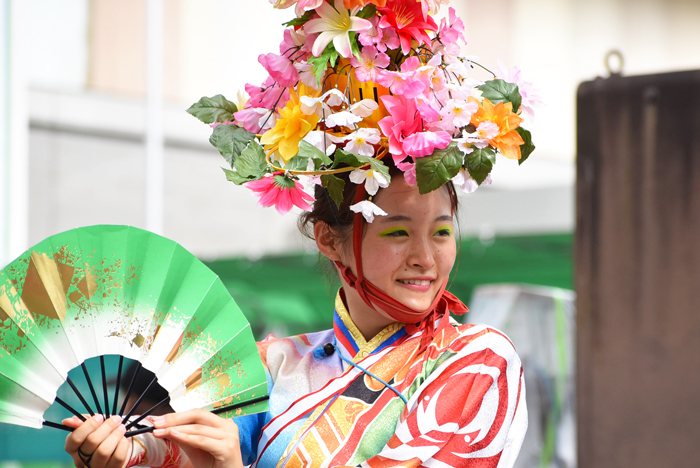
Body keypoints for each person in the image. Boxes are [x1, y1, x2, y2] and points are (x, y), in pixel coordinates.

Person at [63, 0, 536, 466]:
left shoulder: (477, 361)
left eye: (441, 232)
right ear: (330, 239)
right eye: (397, 233)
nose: (425, 258)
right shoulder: (270, 364)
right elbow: (181, 452)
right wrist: (122, 454)